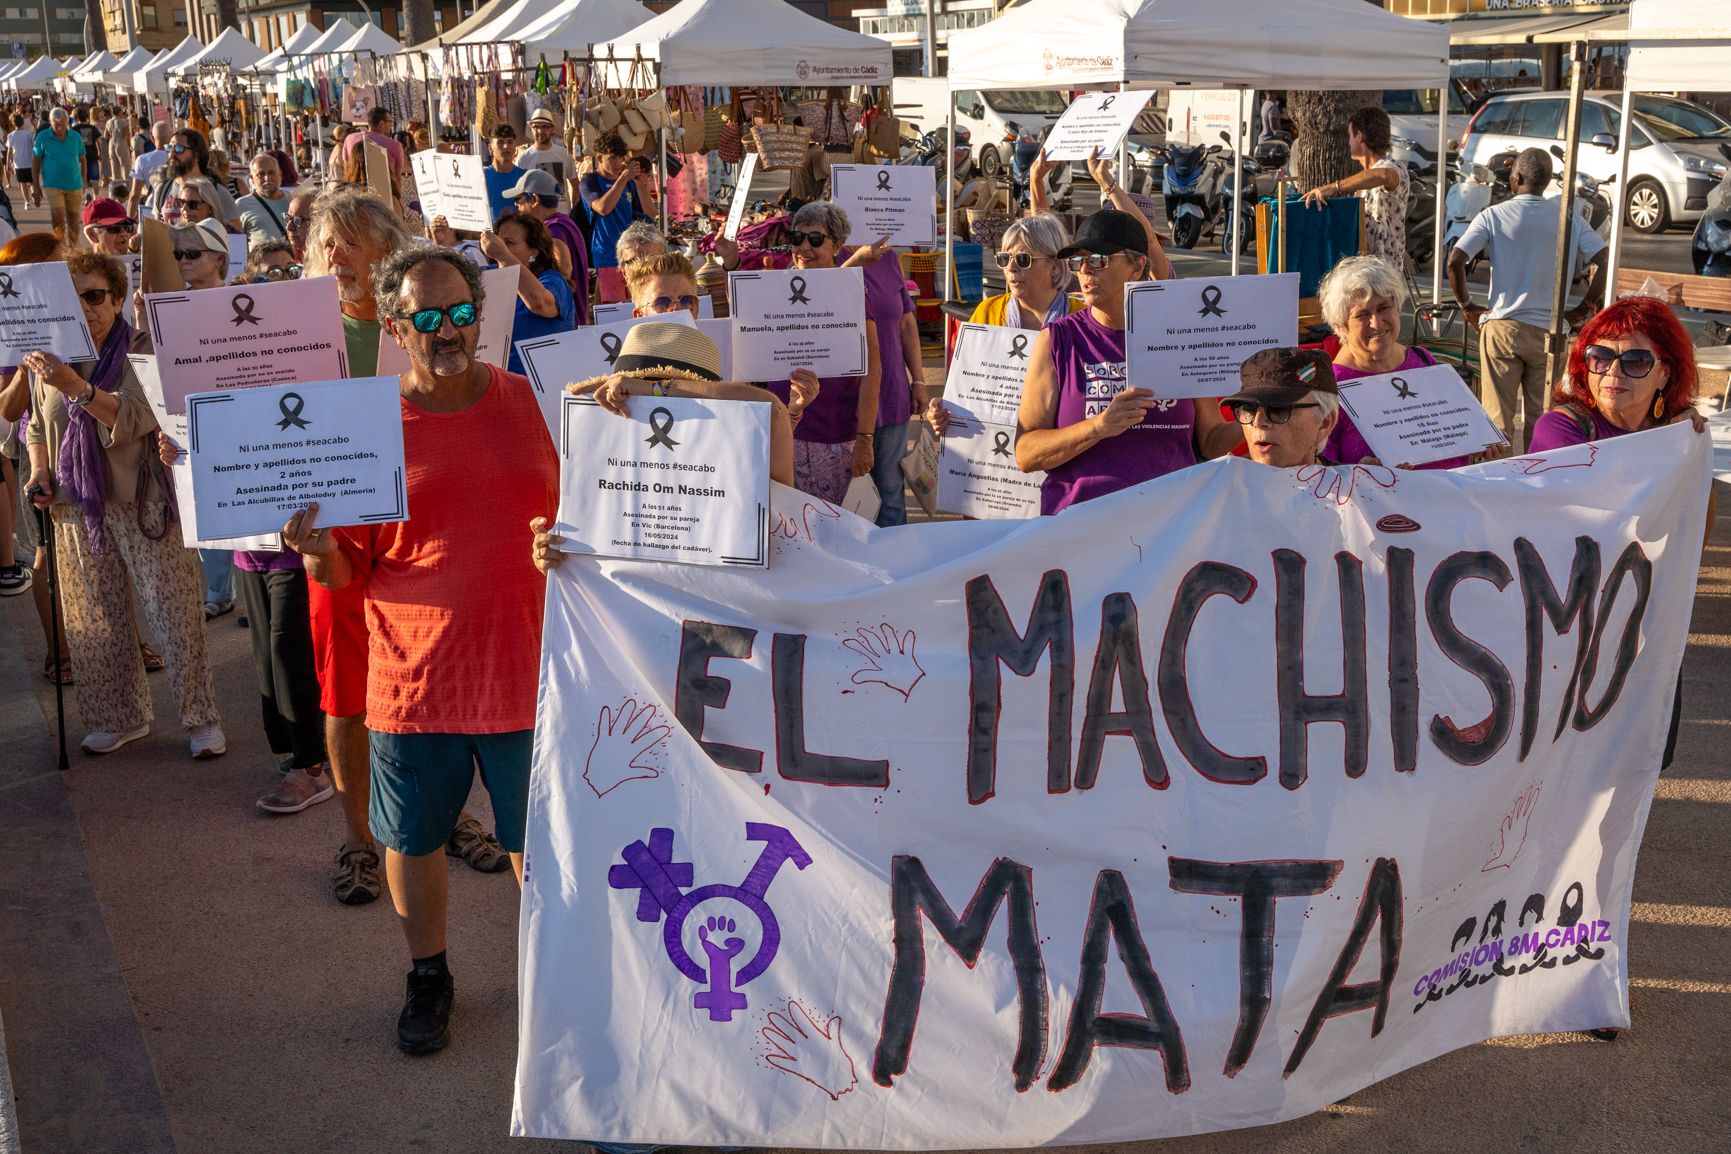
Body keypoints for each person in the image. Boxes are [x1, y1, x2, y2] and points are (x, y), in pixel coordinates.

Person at [280, 245, 558, 1055]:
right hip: (414, 681)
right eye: (425, 318)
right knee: (412, 842)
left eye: (460, 312)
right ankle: (428, 974)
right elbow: (347, 566)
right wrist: (314, 552)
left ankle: (552, 973)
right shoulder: (364, 428)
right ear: (397, 328)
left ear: (480, 313)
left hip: (528, 674)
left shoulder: (538, 402)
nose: (446, 331)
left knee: (534, 847)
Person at [21, 251, 224, 757]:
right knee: (95, 614)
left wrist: (75, 386)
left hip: (144, 501)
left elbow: (133, 417)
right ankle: (120, 717)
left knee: (174, 614)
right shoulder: (44, 354)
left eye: (94, 296)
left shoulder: (145, 348)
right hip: (76, 505)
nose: (86, 308)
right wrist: (41, 470)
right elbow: (36, 426)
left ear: (115, 300)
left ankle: (200, 719)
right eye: (74, 298)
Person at [1015, 209, 1242, 514]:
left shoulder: (1180, 336)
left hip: (1170, 525)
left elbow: (1212, 441)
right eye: (1078, 261)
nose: (1085, 271)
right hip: (1081, 527)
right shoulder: (1058, 339)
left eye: (1099, 259)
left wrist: (1254, 412)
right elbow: (1026, 454)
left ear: (1137, 266)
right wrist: (1098, 426)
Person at [714, 202, 886, 510]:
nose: (804, 247)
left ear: (838, 246)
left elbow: (873, 370)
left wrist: (865, 438)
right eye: (797, 238)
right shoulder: (778, 283)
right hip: (784, 432)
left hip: (835, 438)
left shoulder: (851, 293)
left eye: (816, 240)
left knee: (835, 537)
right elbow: (746, 316)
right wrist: (730, 262)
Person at [1448, 147, 1607, 453]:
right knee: (1543, 421)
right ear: (1546, 182)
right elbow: (1603, 256)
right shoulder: (1567, 218)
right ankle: (1536, 484)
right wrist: (1583, 308)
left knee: (1497, 424)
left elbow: (1455, 260)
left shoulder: (1493, 215)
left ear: (1515, 178)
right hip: (1551, 332)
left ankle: (1499, 488)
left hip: (1503, 329)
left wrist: (1467, 306)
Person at [1314, 255, 1490, 469]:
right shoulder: (1330, 387)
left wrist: (1478, 436)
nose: (1376, 322)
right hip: (1380, 501)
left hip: (1447, 497)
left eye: (1383, 307)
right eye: (1362, 314)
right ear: (1340, 326)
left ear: (1397, 307)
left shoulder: (1422, 359)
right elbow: (1320, 468)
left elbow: (1449, 427)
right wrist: (1358, 470)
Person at [925, 212, 1082, 437]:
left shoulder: (1082, 318)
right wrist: (945, 410)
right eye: (1004, 258)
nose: (1011, 268)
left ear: (1055, 267)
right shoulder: (987, 312)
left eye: (1023, 259)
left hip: (1058, 445)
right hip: (993, 453)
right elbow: (965, 388)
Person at [0, 233, 70, 678]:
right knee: (49, 554)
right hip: (39, 446)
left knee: (108, 550)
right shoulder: (10, 324)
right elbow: (7, 410)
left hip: (88, 438)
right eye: (53, 265)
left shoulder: (79, 305)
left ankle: (130, 641)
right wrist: (29, 364)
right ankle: (58, 649)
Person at [1301, 105, 1409, 273]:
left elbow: (1384, 176)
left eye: (1350, 135)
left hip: (1384, 275)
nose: (1349, 142)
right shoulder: (1364, 180)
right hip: (1363, 271)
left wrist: (1334, 188)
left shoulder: (1393, 167)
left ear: (1359, 137)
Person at [482, 212, 575, 377]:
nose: (501, 247)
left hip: (541, 383)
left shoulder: (552, 280)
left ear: (533, 251)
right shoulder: (487, 277)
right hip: (498, 381)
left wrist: (504, 256)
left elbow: (541, 304)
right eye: (499, 241)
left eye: (509, 243)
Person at [1222, 347, 1341, 469]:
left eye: (1278, 408)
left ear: (1324, 423)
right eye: (1248, 408)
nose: (1258, 422)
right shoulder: (1221, 484)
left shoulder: (1352, 485)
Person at [505, 167, 588, 319]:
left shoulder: (552, 230)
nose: (517, 206)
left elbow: (564, 272)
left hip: (565, 325)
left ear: (535, 199)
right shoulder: (565, 223)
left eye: (519, 200)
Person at [579, 131, 652, 304]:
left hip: (632, 256)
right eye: (612, 158)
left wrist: (639, 182)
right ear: (599, 158)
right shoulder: (590, 182)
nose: (618, 163)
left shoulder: (628, 183)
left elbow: (649, 213)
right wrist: (623, 178)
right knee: (616, 310)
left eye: (620, 157)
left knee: (635, 306)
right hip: (607, 255)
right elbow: (603, 208)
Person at [33, 107, 87, 248]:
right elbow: (36, 161)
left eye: (63, 124)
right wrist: (36, 186)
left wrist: (84, 179)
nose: (60, 128)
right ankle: (61, 248)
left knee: (74, 220)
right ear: (50, 122)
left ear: (67, 122)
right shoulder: (42, 137)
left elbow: (83, 159)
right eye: (57, 125)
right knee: (58, 216)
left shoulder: (75, 137)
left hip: (75, 184)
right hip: (53, 184)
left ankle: (74, 250)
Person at [515, 107, 575, 208]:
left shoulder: (564, 154)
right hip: (536, 220)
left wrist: (574, 212)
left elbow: (575, 185)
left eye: (544, 127)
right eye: (536, 127)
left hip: (562, 217)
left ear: (551, 129)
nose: (540, 131)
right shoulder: (523, 159)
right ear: (531, 129)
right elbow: (519, 193)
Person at [236, 152, 292, 246]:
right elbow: (237, 244)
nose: (267, 178)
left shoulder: (293, 200)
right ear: (252, 179)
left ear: (280, 174)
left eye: (271, 172)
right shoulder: (241, 205)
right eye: (260, 174)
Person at [126, 119, 169, 219]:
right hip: (173, 211)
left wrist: (129, 220)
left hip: (151, 209)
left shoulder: (142, 160)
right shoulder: (179, 158)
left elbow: (135, 194)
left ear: (152, 139)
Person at [482, 123, 522, 222]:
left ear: (514, 147)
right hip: (488, 234)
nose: (505, 146)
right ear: (490, 148)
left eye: (510, 142)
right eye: (500, 142)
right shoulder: (481, 177)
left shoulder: (525, 177)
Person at [8, 113, 40, 209]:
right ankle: (34, 194)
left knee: (22, 183)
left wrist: (8, 162)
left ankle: (27, 202)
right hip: (30, 161)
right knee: (32, 182)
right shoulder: (28, 134)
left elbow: (9, 150)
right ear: (23, 122)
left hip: (18, 162)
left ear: (13, 124)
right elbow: (34, 146)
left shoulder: (11, 135)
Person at [73, 105, 101, 198]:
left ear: (77, 117)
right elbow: (98, 141)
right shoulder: (92, 128)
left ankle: (86, 195)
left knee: (82, 179)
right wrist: (100, 153)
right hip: (93, 155)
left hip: (79, 157)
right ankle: (95, 198)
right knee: (94, 179)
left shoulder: (74, 129)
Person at [283, 187, 318, 262]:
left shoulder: (333, 261)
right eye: (288, 218)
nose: (289, 227)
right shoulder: (288, 260)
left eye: (298, 220)